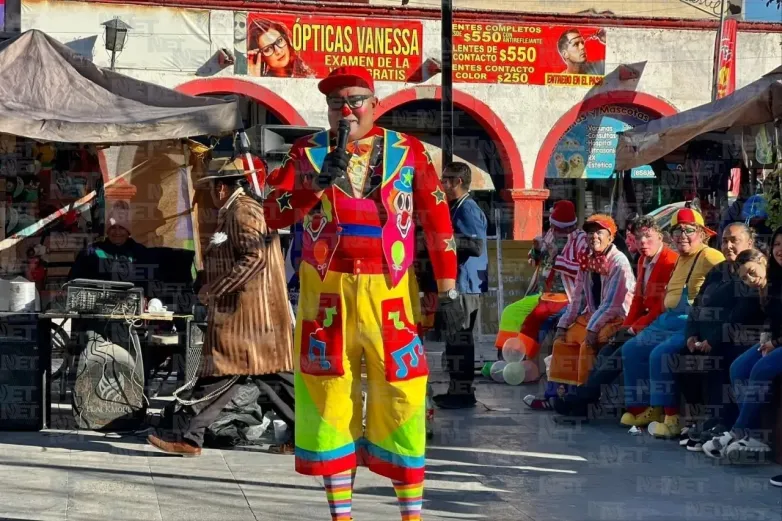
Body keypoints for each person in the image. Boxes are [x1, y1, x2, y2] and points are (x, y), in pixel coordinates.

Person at [262, 66, 462, 521]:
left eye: (356, 100)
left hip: (390, 291)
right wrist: (313, 185)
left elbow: (435, 215)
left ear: (375, 104)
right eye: (337, 103)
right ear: (328, 111)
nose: (347, 110)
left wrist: (447, 287)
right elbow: (274, 213)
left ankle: (411, 515)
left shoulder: (407, 151)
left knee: (403, 391)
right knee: (330, 393)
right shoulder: (305, 153)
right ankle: (342, 516)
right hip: (324, 291)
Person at [147, 158, 294, 456]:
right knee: (256, 375)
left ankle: (189, 437)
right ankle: (190, 436)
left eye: (212, 188)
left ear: (222, 187)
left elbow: (254, 257)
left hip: (250, 315)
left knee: (224, 372)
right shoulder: (236, 212)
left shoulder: (244, 211)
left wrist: (215, 289)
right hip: (252, 317)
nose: (211, 195)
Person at [551, 215, 678, 420]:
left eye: (648, 236)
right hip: (625, 321)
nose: (643, 242)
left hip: (640, 320)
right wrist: (563, 324)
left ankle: (581, 399)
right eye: (639, 237)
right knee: (567, 341)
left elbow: (649, 306)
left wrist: (630, 329)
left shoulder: (664, 261)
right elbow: (581, 298)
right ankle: (560, 393)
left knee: (594, 346)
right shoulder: (642, 259)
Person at [620, 208, 725, 438]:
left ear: (702, 233)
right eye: (677, 230)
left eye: (688, 230)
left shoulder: (710, 255)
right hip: (666, 319)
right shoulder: (680, 258)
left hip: (689, 321)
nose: (682, 235)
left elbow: (727, 286)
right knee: (632, 348)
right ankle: (642, 409)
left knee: (661, 354)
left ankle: (671, 418)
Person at [678, 222, 758, 449]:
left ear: (749, 243)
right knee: (682, 357)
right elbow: (697, 305)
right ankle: (700, 419)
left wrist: (713, 340)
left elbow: (740, 314)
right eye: (725, 240)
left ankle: (721, 421)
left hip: (736, 337)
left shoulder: (751, 271)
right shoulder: (718, 271)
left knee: (720, 358)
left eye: (735, 240)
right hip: (704, 336)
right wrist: (691, 334)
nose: (728, 245)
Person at [704, 228, 782, 461]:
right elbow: (773, 318)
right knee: (738, 367)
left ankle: (738, 430)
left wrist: (775, 342)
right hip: (774, 342)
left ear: (761, 260)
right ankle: (753, 436)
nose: (780, 249)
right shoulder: (772, 283)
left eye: (751, 272)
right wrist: (768, 338)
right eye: (777, 244)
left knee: (761, 369)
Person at [547, 214, 635, 391]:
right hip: (593, 315)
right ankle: (557, 393)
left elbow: (612, 305)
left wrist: (592, 328)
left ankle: (583, 395)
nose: (594, 236)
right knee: (562, 341)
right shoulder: (585, 258)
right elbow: (577, 297)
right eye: (590, 233)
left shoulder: (619, 262)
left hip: (617, 318)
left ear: (610, 236)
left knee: (586, 345)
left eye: (599, 232)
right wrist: (562, 325)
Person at [495, 200, 585, 362]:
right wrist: (536, 250)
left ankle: (523, 358)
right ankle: (504, 356)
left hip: (567, 297)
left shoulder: (581, 240)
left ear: (572, 226)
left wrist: (556, 257)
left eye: (560, 229)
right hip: (542, 294)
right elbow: (534, 262)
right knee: (510, 311)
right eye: (555, 227)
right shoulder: (549, 234)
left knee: (536, 317)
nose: (556, 232)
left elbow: (581, 270)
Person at [434, 162, 488, 409]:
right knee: (455, 340)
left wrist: (445, 239)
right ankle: (457, 390)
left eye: (446, 179)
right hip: (458, 282)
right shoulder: (456, 207)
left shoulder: (468, 209)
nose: (442, 183)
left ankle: (463, 394)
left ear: (458, 181)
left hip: (466, 284)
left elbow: (475, 245)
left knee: (461, 339)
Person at [68, 203, 148, 290]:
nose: (117, 232)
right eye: (113, 227)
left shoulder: (140, 252)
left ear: (128, 231)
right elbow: (73, 281)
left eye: (121, 228)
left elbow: (148, 283)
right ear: (108, 231)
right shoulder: (91, 251)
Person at [247, 18, 315, 78]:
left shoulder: (307, 75)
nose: (278, 51)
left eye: (279, 41)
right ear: (261, 57)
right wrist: (255, 79)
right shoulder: (265, 81)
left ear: (286, 40)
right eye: (267, 49)